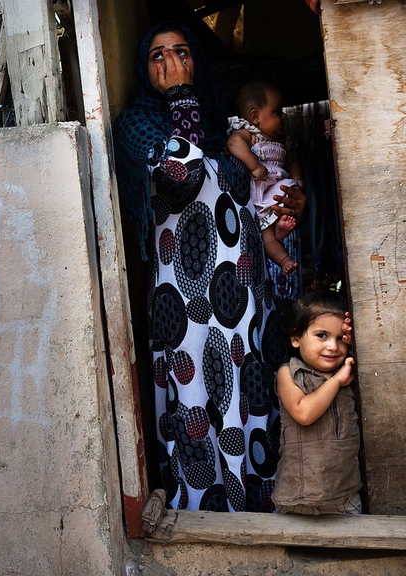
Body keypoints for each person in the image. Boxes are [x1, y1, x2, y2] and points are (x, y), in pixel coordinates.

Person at [113, 21, 307, 512]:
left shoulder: (227, 131)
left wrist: (277, 225)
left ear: (198, 61)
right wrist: (180, 96)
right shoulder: (137, 125)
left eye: (182, 52)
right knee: (198, 396)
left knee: (250, 395)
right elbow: (182, 173)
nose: (171, 62)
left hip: (244, 299)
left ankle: (261, 508)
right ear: (145, 68)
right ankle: (210, 513)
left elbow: (241, 200)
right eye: (159, 55)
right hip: (188, 302)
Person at [272, 277, 362, 515]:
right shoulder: (288, 374)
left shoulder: (353, 372)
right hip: (298, 498)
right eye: (322, 335)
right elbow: (303, 413)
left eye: (340, 338)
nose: (333, 346)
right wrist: (337, 381)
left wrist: (357, 346)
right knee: (295, 554)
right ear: (296, 338)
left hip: (345, 497)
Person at [227, 81, 302, 276]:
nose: (284, 115)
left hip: (277, 189)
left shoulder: (280, 140)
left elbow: (292, 160)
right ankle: (283, 259)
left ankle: (280, 228)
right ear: (255, 117)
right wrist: (254, 165)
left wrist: (298, 180)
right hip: (259, 194)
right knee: (265, 235)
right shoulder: (251, 134)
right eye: (277, 111)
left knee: (286, 210)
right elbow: (234, 143)